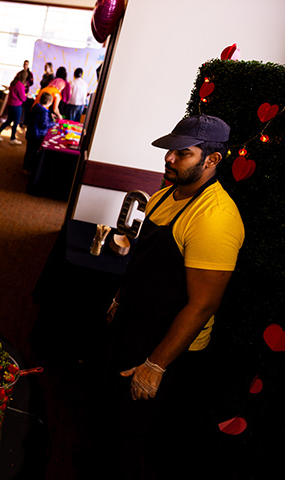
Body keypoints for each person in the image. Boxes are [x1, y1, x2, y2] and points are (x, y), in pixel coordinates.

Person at [101, 115, 245, 479]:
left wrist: (155, 366)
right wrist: (120, 298)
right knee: (112, 411)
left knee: (136, 432)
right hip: (135, 321)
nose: (169, 159)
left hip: (167, 342)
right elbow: (142, 260)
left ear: (212, 160)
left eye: (183, 153)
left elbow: (203, 305)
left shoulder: (216, 218)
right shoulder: (164, 194)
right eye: (170, 151)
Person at [22, 92, 55, 176]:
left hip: (31, 132)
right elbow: (43, 124)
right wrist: (52, 123)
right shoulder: (44, 112)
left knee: (28, 151)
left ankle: (24, 167)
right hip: (37, 134)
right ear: (48, 102)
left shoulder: (36, 107)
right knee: (34, 152)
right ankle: (29, 169)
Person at [0, 70, 28, 144]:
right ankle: (12, 138)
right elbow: (23, 98)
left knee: (9, 121)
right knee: (15, 123)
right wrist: (26, 96)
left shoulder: (13, 83)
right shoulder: (20, 85)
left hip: (10, 105)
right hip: (17, 105)